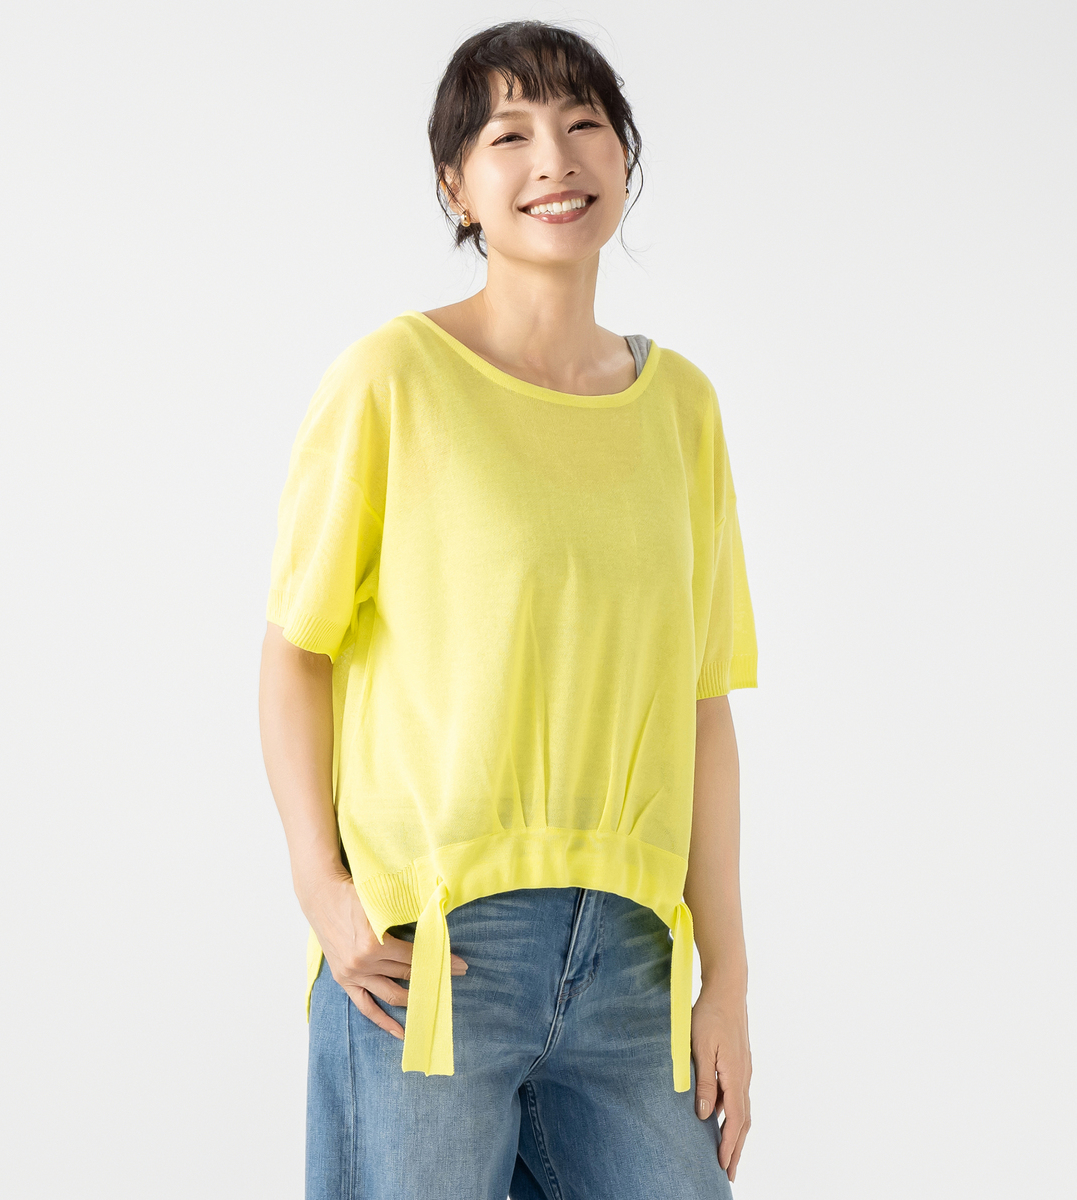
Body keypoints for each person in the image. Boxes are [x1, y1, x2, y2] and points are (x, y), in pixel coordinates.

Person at [258, 19, 757, 1200]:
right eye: (510, 135)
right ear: (457, 185)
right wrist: (324, 894)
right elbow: (295, 655)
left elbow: (701, 706)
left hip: (633, 960)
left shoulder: (682, 409)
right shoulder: (393, 379)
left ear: (623, 157)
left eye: (585, 124)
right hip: (432, 954)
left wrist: (727, 980)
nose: (556, 160)